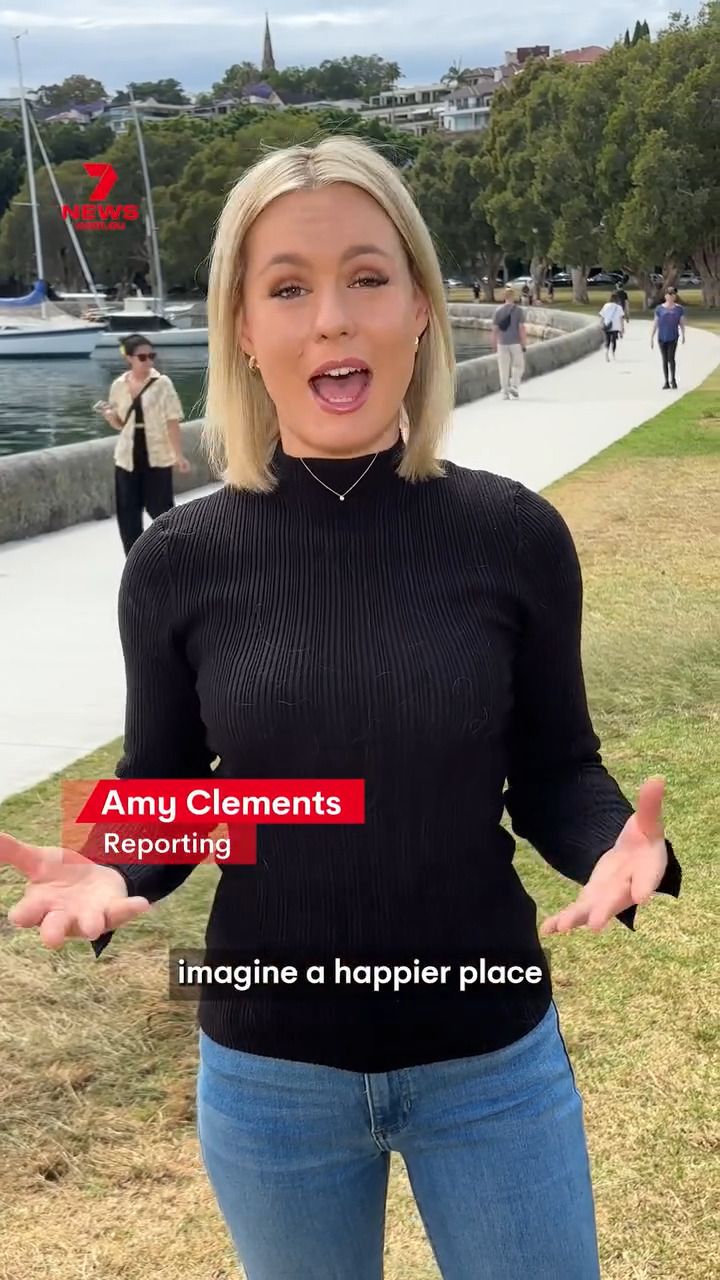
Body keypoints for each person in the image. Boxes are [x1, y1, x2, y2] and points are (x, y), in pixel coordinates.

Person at [2, 136, 682, 1280]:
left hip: (491, 1057)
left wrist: (618, 845)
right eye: (288, 287)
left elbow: (556, 769)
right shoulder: (177, 561)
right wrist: (112, 861)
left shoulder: (514, 535)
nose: (331, 318)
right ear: (241, 327)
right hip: (271, 1077)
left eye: (367, 276)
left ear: (419, 306)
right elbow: (167, 784)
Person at [98, 333, 191, 556]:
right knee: (128, 512)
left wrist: (178, 455)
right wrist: (110, 417)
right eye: (142, 357)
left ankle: (174, 556)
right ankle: (134, 560)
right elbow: (121, 424)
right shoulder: (118, 385)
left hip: (157, 454)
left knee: (161, 509)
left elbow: (172, 421)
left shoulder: (162, 383)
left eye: (152, 356)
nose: (148, 361)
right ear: (129, 358)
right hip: (127, 456)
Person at [492, 285, 527, 399]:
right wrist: (523, 343)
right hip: (515, 342)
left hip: (502, 343)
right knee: (518, 365)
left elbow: (495, 330)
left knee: (503, 368)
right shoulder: (519, 311)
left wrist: (494, 344)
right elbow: (521, 328)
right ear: (513, 297)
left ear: (504, 297)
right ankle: (514, 385)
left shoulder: (498, 311)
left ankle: (504, 392)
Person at [651, 287, 686, 389]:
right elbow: (655, 323)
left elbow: (682, 323)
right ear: (665, 296)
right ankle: (666, 381)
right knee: (664, 359)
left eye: (673, 294)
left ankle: (673, 380)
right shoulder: (659, 309)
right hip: (662, 337)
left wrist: (683, 334)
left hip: (673, 336)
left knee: (671, 358)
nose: (671, 296)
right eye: (669, 294)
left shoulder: (679, 309)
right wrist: (652, 336)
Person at [599, 291, 625, 361]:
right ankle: (613, 353)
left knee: (607, 340)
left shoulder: (606, 306)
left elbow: (602, 316)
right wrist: (622, 328)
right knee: (614, 341)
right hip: (615, 326)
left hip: (607, 325)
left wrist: (601, 324)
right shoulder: (619, 307)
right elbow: (621, 319)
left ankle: (606, 352)